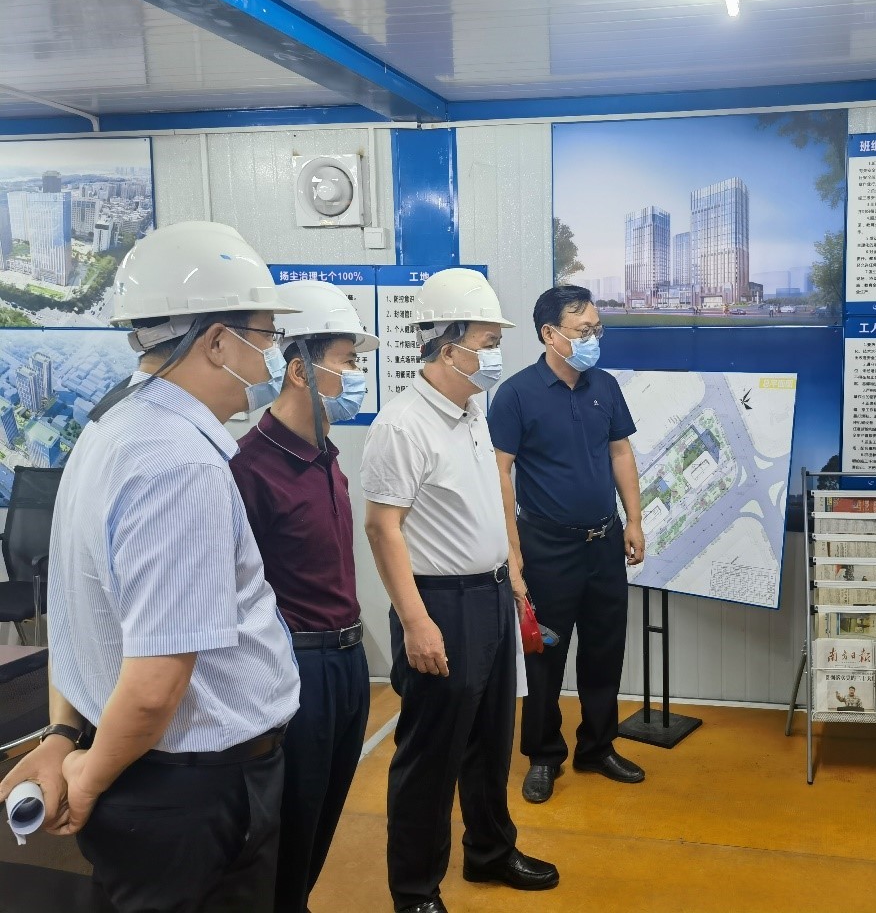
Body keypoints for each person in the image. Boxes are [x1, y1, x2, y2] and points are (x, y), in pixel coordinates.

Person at [0, 221, 302, 910]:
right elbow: (155, 683)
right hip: (190, 792)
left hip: (146, 774)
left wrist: (65, 735)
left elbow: (78, 617)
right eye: (264, 335)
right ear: (217, 342)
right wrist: (88, 775)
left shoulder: (112, 428)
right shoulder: (178, 465)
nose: (270, 358)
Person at [361, 268, 558, 913]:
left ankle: (491, 851)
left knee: (491, 742)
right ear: (448, 348)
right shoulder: (403, 424)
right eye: (487, 341)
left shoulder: (472, 411)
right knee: (430, 754)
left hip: (492, 595)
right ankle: (415, 891)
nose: (496, 354)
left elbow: (493, 499)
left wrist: (514, 577)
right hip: (440, 604)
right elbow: (382, 527)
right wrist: (416, 622)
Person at [229, 279, 379, 912]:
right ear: (299, 371)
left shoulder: (326, 456)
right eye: (346, 362)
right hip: (295, 668)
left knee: (322, 816)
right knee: (288, 826)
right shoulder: (248, 468)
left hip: (347, 660)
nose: (356, 377)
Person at [488, 284, 646, 805]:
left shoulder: (605, 386)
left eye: (597, 329)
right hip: (546, 549)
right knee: (545, 656)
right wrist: (513, 551)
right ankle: (543, 755)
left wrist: (634, 520)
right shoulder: (516, 395)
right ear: (549, 334)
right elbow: (501, 473)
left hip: (604, 542)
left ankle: (598, 747)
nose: (593, 338)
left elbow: (620, 453)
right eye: (583, 330)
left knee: (604, 650)